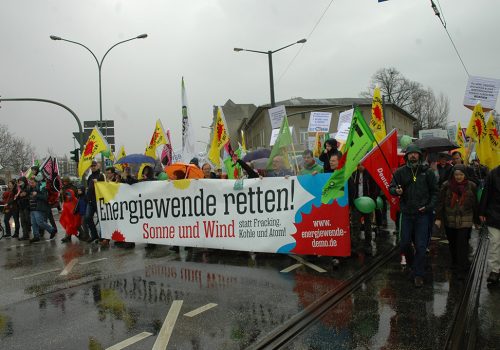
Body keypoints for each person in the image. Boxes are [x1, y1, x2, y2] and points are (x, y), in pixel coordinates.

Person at [389, 144, 438, 287]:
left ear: (419, 156)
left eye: (416, 154)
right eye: (410, 154)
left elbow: (435, 192)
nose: (413, 156)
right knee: (404, 243)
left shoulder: (427, 172)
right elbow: (391, 187)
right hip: (406, 213)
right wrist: (395, 191)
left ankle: (418, 274)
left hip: (422, 214)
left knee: (421, 246)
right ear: (406, 157)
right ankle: (413, 264)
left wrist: (428, 206)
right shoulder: (400, 172)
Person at [435, 165, 478, 278]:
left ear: (465, 175)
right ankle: (455, 263)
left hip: (466, 219)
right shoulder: (446, 186)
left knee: (462, 244)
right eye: (456, 175)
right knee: (453, 243)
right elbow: (440, 202)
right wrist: (438, 218)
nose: (458, 177)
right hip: (450, 219)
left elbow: (475, 204)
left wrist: (477, 220)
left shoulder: (471, 186)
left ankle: (461, 268)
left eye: (461, 175)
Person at [348, 164, 380, 254]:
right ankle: (355, 246)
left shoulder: (371, 174)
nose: (360, 166)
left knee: (368, 225)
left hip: (368, 204)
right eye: (358, 165)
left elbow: (376, 188)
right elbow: (350, 189)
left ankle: (368, 245)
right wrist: (351, 202)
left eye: (362, 164)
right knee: (355, 225)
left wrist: (372, 200)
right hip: (356, 204)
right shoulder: (353, 175)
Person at [479, 165, 500, 285]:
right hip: (494, 213)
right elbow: (486, 192)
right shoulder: (493, 173)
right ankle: (494, 270)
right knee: (495, 242)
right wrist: (482, 211)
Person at [28, 174, 57, 243]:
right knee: (34, 223)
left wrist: (37, 195)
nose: (31, 184)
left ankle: (52, 230)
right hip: (32, 208)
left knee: (40, 222)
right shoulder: (31, 188)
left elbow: (45, 197)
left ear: (36, 182)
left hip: (39, 207)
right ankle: (36, 236)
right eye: (30, 183)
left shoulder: (42, 187)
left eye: (32, 183)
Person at [85, 160, 105, 243]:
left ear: (97, 166)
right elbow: (89, 188)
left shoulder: (100, 175)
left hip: (98, 201)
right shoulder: (90, 177)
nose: (93, 167)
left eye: (94, 166)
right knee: (88, 218)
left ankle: (102, 236)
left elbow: (104, 186)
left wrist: (98, 181)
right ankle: (94, 235)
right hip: (90, 201)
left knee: (101, 220)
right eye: (91, 166)